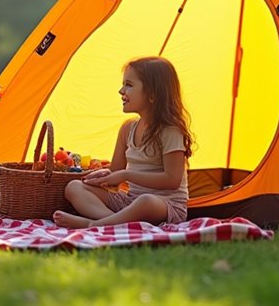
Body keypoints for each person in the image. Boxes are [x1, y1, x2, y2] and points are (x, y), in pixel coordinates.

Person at [53, 56, 195, 228]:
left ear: (152, 94)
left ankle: (93, 224)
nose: (121, 91)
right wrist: (102, 175)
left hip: (165, 205)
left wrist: (126, 175)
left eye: (128, 85)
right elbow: (116, 169)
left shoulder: (170, 131)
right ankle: (110, 222)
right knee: (74, 187)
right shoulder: (128, 129)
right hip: (130, 201)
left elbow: (172, 180)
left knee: (146, 201)